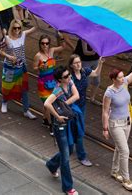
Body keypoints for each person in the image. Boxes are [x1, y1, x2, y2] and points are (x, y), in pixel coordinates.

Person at [102, 48, 132, 191]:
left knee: (120, 148)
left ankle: (114, 171)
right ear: (113, 79)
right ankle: (126, 179)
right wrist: (105, 128)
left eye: (123, 76)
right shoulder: (109, 92)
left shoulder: (125, 82)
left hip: (127, 121)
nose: (122, 78)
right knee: (125, 151)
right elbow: (105, 111)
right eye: (119, 77)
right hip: (115, 124)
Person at [44, 66, 82, 195]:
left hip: (69, 122)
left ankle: (51, 164)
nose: (69, 77)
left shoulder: (69, 82)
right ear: (60, 79)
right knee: (66, 157)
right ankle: (68, 187)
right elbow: (47, 104)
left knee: (69, 149)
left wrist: (65, 105)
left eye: (69, 74)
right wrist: (58, 116)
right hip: (60, 126)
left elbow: (77, 95)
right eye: (66, 76)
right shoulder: (58, 90)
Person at [68, 54, 104, 166]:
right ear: (71, 65)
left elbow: (96, 73)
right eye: (76, 63)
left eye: (79, 62)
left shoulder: (84, 71)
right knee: (78, 131)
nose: (78, 64)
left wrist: (101, 63)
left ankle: (69, 148)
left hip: (82, 105)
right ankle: (82, 156)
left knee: (76, 128)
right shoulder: (69, 77)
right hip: (72, 106)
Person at [0, 18, 37, 118]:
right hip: (10, 67)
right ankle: (4, 102)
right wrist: (9, 56)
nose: (17, 30)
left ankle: (26, 110)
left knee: (24, 89)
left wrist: (33, 16)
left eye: (19, 28)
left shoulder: (23, 35)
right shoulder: (7, 38)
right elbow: (1, 51)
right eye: (15, 28)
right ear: (11, 28)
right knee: (7, 86)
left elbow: (36, 28)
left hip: (22, 66)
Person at [34, 34, 68, 130]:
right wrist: (40, 67)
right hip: (43, 83)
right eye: (42, 43)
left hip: (53, 82)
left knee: (48, 105)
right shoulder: (38, 56)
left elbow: (63, 47)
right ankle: (51, 125)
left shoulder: (52, 51)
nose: (45, 45)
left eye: (47, 43)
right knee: (48, 105)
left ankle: (45, 120)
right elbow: (34, 68)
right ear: (40, 44)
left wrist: (62, 37)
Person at [74, 39, 102, 105]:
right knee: (85, 81)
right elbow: (85, 52)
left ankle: (92, 98)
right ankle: (79, 97)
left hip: (96, 60)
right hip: (85, 61)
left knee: (97, 81)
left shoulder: (98, 37)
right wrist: (95, 50)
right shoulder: (84, 37)